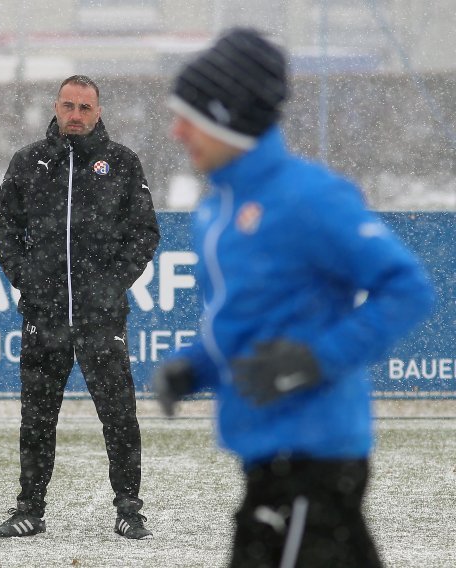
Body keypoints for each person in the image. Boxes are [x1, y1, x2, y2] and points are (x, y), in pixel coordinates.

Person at [154, 28, 435, 568]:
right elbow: (242, 324)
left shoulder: (310, 197)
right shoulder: (216, 212)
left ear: (227, 117)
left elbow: (407, 289)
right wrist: (195, 369)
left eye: (189, 116)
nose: (176, 131)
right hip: (265, 460)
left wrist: (315, 360)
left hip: (315, 459)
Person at [0, 75, 160, 540]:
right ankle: (29, 508)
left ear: (98, 111)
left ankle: (128, 508)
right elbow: (4, 227)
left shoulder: (121, 163)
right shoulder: (29, 162)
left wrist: (111, 285)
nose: (76, 115)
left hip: (102, 320)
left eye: (85, 107)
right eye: (69, 106)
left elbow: (145, 233)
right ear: (56, 107)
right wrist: (27, 280)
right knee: (37, 419)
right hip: (44, 318)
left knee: (120, 417)